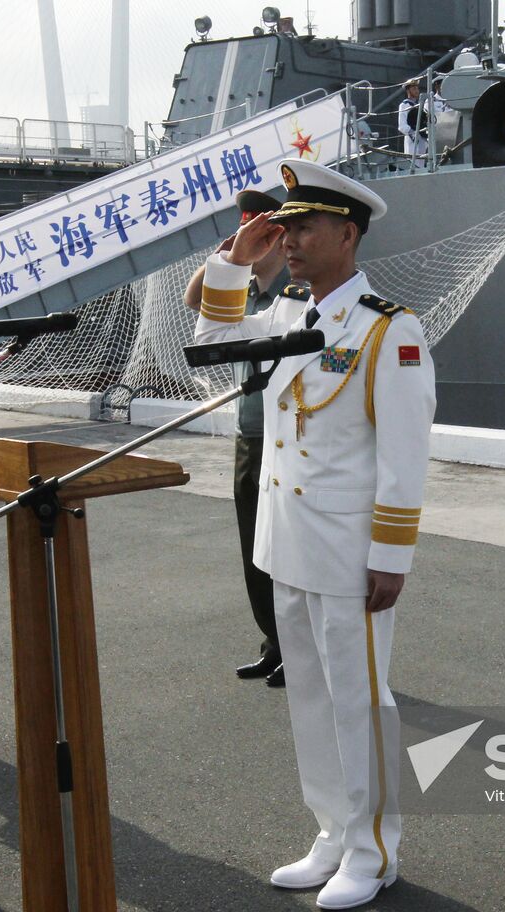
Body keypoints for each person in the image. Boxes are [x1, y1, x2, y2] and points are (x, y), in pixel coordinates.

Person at [194, 159, 436, 910]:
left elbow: (405, 455)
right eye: (285, 226)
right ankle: (332, 832)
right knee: (308, 696)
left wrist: (391, 555)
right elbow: (209, 346)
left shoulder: (390, 330)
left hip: (348, 550)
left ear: (347, 233)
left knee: (359, 702)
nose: (289, 238)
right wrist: (235, 259)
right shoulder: (288, 316)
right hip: (288, 540)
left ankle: (374, 851)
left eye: (303, 226)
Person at [184, 189, 293, 687]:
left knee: (286, 547)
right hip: (250, 430)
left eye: (259, 231)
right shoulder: (243, 287)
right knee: (254, 546)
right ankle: (273, 642)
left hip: (289, 432)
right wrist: (230, 258)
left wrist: (241, 259)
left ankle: (298, 646)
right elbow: (193, 300)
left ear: (278, 237)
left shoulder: (296, 291)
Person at [396, 79, 427, 162]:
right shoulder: (404, 105)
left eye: (417, 88)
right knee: (414, 162)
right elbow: (402, 126)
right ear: (408, 90)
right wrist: (414, 134)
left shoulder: (419, 106)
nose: (417, 91)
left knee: (422, 162)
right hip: (412, 139)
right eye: (414, 89)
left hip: (422, 139)